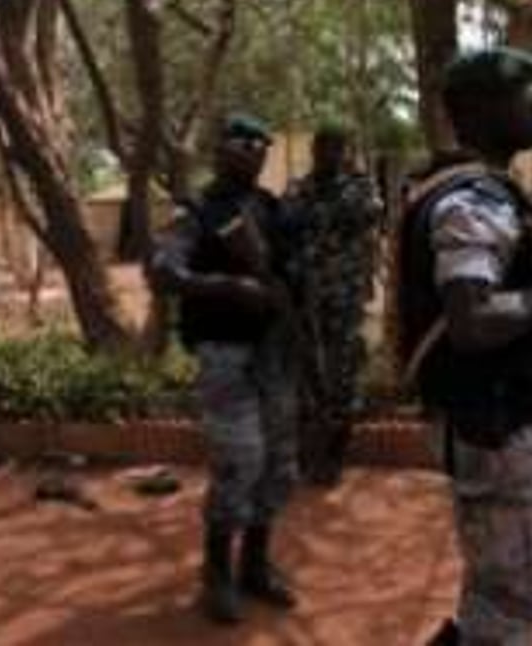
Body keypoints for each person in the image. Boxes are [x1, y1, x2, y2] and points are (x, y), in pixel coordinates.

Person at [396, 49, 532, 645]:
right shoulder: (471, 202)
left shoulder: (514, 185)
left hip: (521, 413)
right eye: (527, 93)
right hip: (489, 420)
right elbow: (473, 319)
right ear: (480, 110)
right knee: (511, 599)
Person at [148, 114, 300, 625]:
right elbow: (163, 271)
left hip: (274, 355)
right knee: (240, 462)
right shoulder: (196, 210)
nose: (254, 151)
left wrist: (283, 288)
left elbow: (295, 272)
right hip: (225, 356)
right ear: (220, 149)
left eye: (262, 144)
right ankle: (217, 573)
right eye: (243, 142)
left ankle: (255, 565)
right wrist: (227, 287)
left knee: (278, 464)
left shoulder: (273, 208)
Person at [285, 125, 381, 486]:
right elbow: (287, 222)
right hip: (304, 298)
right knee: (304, 373)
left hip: (344, 298)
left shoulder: (360, 187)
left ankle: (335, 455)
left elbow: (368, 213)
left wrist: (326, 204)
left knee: (342, 374)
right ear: (313, 149)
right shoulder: (299, 188)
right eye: (323, 147)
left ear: (346, 152)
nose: (329, 154)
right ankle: (307, 453)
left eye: (337, 148)